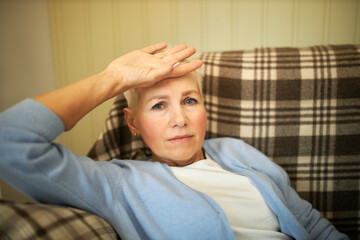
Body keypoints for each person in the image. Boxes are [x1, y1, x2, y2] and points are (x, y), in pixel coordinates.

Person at [0, 43, 348, 240]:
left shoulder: (239, 153)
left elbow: (312, 226)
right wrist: (114, 78)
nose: (179, 118)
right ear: (132, 123)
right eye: (158, 105)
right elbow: (10, 142)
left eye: (190, 100)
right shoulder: (120, 183)